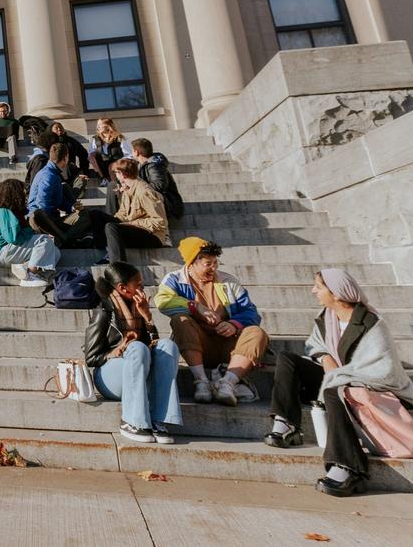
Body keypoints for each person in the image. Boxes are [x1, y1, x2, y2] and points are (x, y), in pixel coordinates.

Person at [266, 269, 413, 498]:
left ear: (336, 293)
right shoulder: (326, 317)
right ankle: (287, 425)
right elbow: (314, 345)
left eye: (318, 286)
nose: (313, 290)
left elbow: (383, 369)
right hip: (336, 378)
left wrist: (339, 376)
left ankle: (348, 467)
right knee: (287, 359)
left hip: (371, 387)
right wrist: (324, 357)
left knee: (334, 391)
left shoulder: (371, 324)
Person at [155, 237, 270, 407]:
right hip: (199, 346)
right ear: (192, 263)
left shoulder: (227, 281)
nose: (213, 268)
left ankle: (228, 383)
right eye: (207, 264)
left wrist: (234, 324)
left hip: (230, 347)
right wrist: (195, 306)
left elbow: (251, 312)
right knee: (180, 320)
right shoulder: (174, 279)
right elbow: (163, 302)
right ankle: (201, 382)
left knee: (257, 332)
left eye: (215, 263)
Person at [84, 262, 182, 444]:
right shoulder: (103, 311)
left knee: (167, 346)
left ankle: (159, 420)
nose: (143, 288)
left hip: (138, 371)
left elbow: (153, 346)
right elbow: (91, 358)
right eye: (138, 285)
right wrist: (117, 349)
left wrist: (147, 317)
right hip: (109, 376)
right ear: (122, 288)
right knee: (136, 347)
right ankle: (131, 421)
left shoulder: (139, 308)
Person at [80, 159, 170, 263]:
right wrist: (116, 220)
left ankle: (119, 265)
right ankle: (104, 249)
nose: (116, 176)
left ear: (122, 174)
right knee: (96, 214)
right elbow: (123, 213)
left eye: (116, 173)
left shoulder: (144, 192)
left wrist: (132, 223)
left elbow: (160, 222)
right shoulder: (128, 188)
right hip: (134, 228)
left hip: (152, 235)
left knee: (111, 227)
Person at [0, 177, 59, 288]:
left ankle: (25, 267)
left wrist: (36, 236)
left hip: (12, 250)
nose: (25, 194)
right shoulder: (4, 211)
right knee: (44, 240)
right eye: (22, 191)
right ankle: (30, 275)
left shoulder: (17, 212)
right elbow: (13, 238)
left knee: (55, 251)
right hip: (2, 252)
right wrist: (36, 236)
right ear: (15, 194)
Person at [25, 142, 90, 247]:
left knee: (82, 214)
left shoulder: (51, 173)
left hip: (51, 218)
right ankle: (64, 241)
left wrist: (71, 207)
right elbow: (42, 205)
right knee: (85, 216)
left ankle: (63, 239)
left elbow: (57, 200)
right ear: (66, 158)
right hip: (43, 222)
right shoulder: (49, 176)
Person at [133, 138, 184, 223]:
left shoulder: (154, 166)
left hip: (169, 205)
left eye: (132, 151)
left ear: (136, 152)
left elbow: (159, 185)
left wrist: (138, 188)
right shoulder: (143, 165)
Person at [87, 118, 129, 214]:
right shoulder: (95, 139)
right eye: (97, 125)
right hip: (102, 167)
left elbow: (128, 155)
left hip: (116, 166)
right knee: (92, 156)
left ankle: (116, 187)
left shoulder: (119, 138)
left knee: (111, 166)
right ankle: (104, 178)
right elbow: (90, 153)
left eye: (100, 124)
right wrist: (92, 156)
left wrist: (119, 163)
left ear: (107, 126)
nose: (97, 127)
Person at [48, 121, 89, 198]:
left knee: (81, 179)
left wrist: (83, 169)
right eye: (56, 128)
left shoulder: (71, 141)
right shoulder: (49, 142)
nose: (59, 129)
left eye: (60, 127)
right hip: (55, 170)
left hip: (70, 170)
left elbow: (83, 154)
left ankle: (73, 195)